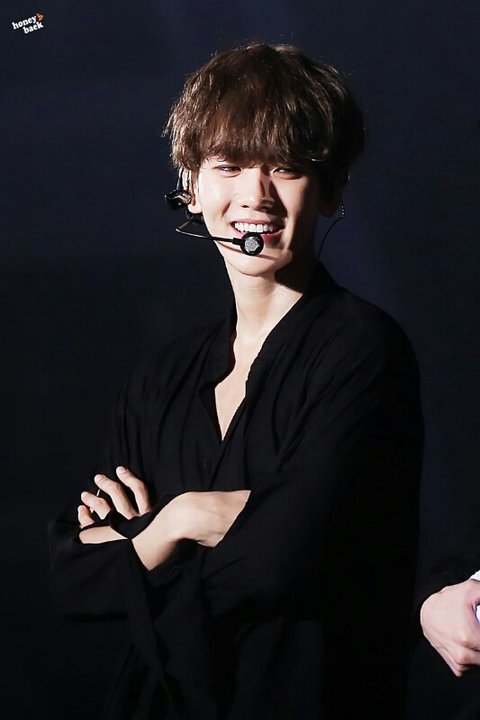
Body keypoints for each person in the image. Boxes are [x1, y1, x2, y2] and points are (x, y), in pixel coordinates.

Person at [49, 43, 423, 719]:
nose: (256, 196)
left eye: (286, 167)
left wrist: (146, 540)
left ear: (331, 189)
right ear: (191, 186)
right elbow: (73, 577)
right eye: (230, 165)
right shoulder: (162, 377)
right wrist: (187, 518)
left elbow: (285, 558)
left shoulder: (363, 350)